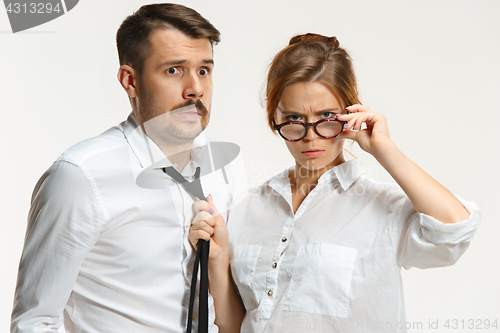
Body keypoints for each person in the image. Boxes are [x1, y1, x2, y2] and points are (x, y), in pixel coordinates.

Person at [189, 33, 480, 332]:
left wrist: (383, 148)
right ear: (273, 115)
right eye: (294, 118)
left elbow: (455, 229)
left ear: (351, 112)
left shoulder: (383, 208)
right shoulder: (249, 206)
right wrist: (218, 258)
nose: (310, 135)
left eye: (326, 115)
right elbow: (234, 326)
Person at [11, 3, 240, 333]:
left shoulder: (223, 168)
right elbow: (35, 321)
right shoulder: (80, 176)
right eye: (174, 70)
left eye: (204, 70)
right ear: (130, 80)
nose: (196, 89)